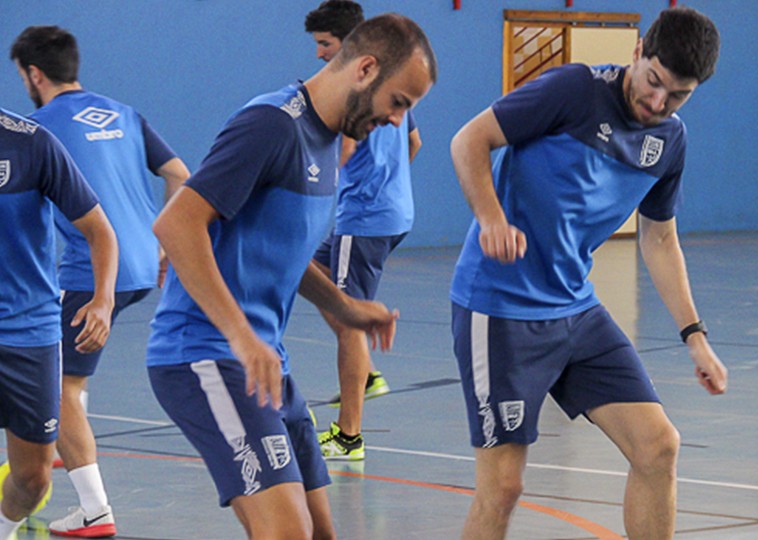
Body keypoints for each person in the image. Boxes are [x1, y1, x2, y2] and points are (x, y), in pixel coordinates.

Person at [145, 14, 436, 539]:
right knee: (287, 532)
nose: (398, 121)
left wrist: (345, 307)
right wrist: (240, 335)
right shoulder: (272, 124)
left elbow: (281, 248)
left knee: (321, 533)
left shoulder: (326, 140)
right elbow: (176, 224)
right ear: (366, 69)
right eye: (399, 102)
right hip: (204, 354)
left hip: (266, 364)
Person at [449, 7, 728, 539]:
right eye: (654, 83)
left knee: (658, 445)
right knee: (502, 487)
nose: (657, 103)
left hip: (575, 309)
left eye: (678, 95)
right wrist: (491, 217)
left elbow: (660, 238)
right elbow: (469, 140)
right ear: (637, 51)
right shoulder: (573, 92)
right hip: (500, 308)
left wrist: (695, 337)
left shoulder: (669, 141)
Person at [10, 25, 191, 537]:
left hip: (91, 269)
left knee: (58, 386)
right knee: (74, 377)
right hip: (139, 265)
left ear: (33, 73)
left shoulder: (36, 130)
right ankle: (66, 453)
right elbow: (179, 172)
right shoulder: (123, 112)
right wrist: (161, 242)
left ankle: (94, 509)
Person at [305, 0, 424, 461]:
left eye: (325, 44)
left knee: (351, 320)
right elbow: (414, 140)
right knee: (306, 269)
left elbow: (345, 154)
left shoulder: (353, 92)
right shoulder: (391, 85)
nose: (318, 54)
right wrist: (390, 183)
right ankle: (367, 374)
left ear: (350, 47)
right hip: (393, 213)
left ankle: (349, 435)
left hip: (364, 219)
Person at [0, 107, 118, 540]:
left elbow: (99, 230)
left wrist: (103, 301)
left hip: (29, 333)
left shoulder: (31, 144)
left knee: (33, 477)